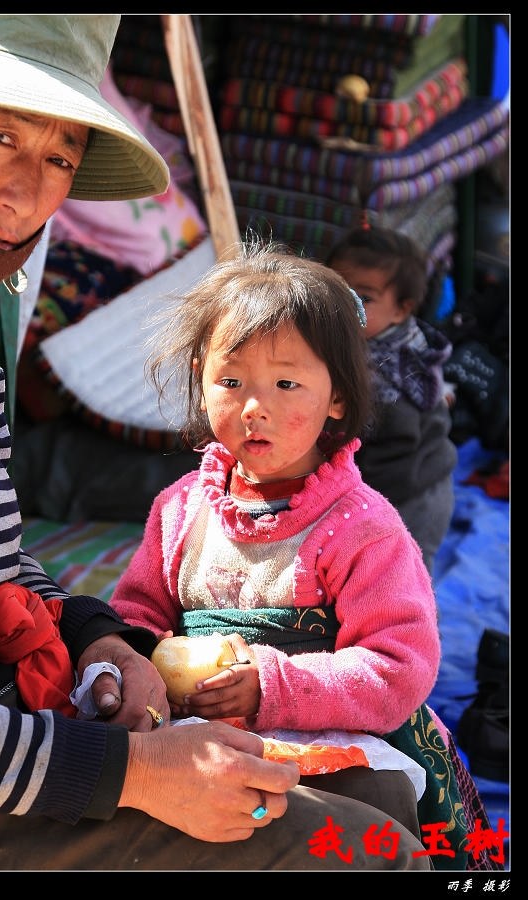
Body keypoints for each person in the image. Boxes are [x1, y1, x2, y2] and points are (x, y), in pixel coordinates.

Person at [0, 14, 434, 872]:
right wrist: (132, 774)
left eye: (58, 157)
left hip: (4, 727)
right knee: (364, 853)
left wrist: (104, 642)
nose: (27, 191)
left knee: (378, 790)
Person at [109, 241, 496, 870]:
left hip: (337, 741)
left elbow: (397, 669)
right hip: (206, 742)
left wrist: (269, 685)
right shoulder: (181, 511)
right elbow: (137, 616)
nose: (255, 406)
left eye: (287, 382)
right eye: (230, 382)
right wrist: (133, 671)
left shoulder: (362, 528)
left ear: (337, 399)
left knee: (367, 814)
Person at [324, 225, 458, 574]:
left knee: (403, 575)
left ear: (401, 309)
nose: (347, 305)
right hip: (412, 478)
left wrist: (347, 503)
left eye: (364, 298)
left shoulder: (383, 378)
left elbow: (389, 458)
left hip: (413, 497)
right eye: (338, 290)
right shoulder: (387, 337)